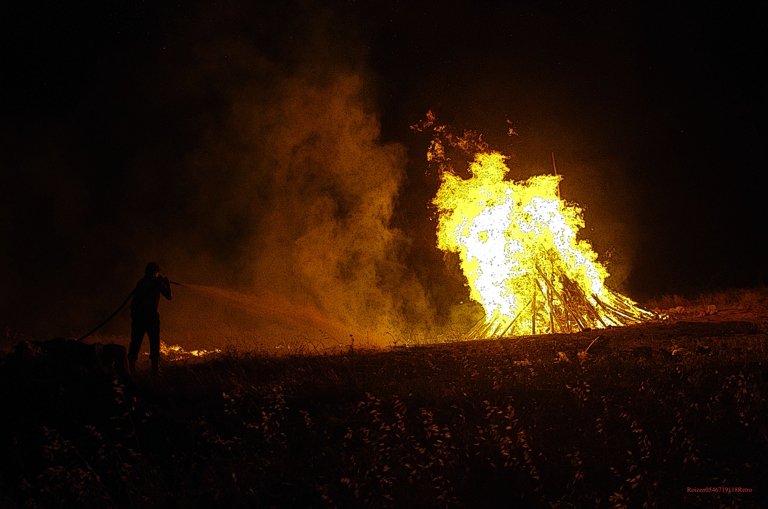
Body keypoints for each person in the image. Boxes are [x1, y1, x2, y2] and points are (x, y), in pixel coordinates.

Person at [128, 262, 172, 375]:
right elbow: (169, 296)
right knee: (154, 342)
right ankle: (154, 369)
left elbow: (134, 302)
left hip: (138, 318)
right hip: (151, 317)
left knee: (135, 342)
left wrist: (134, 316)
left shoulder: (141, 282)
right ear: (156, 272)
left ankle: (131, 368)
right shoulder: (157, 283)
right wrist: (167, 283)